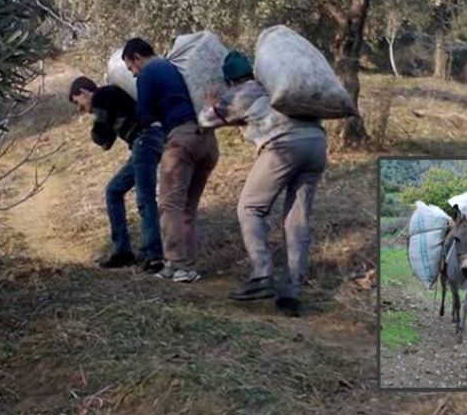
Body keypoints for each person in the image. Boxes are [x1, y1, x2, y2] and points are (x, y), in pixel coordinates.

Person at [200, 51, 326, 317]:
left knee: (250, 208)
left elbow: (206, 120)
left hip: (284, 146)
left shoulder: (239, 93)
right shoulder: (273, 88)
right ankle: (291, 293)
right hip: (317, 144)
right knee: (297, 221)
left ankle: (261, 276)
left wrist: (212, 104)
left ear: (230, 80)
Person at [122, 38, 219, 283]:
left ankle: (178, 264)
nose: (133, 74)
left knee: (169, 205)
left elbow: (143, 113)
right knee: (187, 207)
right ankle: (184, 265)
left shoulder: (148, 72)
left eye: (131, 68)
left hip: (181, 140)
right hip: (207, 139)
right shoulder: (172, 67)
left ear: (136, 57)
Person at [68, 76, 164, 272]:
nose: (81, 109)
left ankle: (153, 256)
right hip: (143, 143)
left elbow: (101, 135)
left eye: (78, 102)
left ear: (85, 93)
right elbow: (107, 139)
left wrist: (98, 130)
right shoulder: (110, 99)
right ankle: (123, 251)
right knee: (113, 190)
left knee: (145, 197)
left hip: (144, 140)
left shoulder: (103, 95)